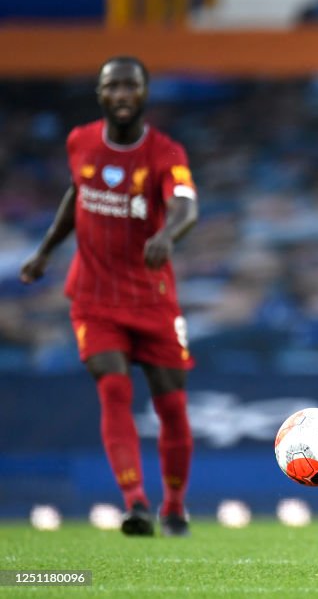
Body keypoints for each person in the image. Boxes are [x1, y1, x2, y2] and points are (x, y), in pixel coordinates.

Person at [20, 56, 198, 538]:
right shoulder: (80, 141)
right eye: (111, 86)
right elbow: (76, 197)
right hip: (94, 297)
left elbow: (186, 204)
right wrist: (44, 253)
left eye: (130, 86)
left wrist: (169, 233)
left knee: (171, 407)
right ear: (100, 94)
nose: (121, 95)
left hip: (152, 300)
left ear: (143, 94)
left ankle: (175, 504)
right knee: (114, 390)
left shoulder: (164, 152)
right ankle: (136, 501)